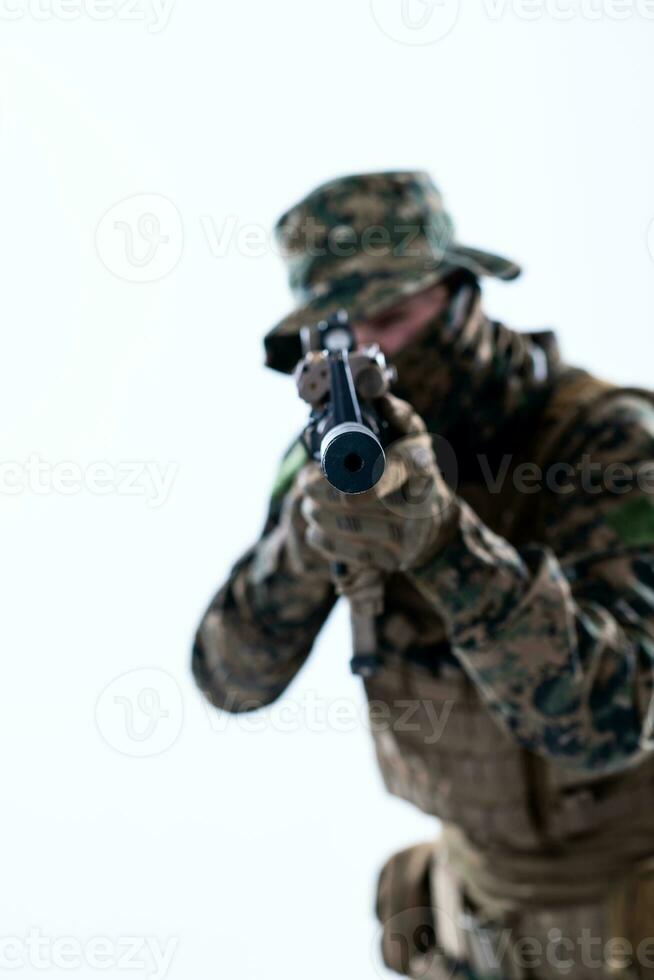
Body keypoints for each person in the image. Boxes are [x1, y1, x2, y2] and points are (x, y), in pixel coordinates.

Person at [192, 171, 654, 980]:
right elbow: (230, 678)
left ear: (461, 293)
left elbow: (616, 714)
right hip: (481, 916)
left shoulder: (607, 443)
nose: (377, 352)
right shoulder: (326, 468)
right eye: (347, 332)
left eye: (396, 318)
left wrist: (443, 544)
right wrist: (307, 542)